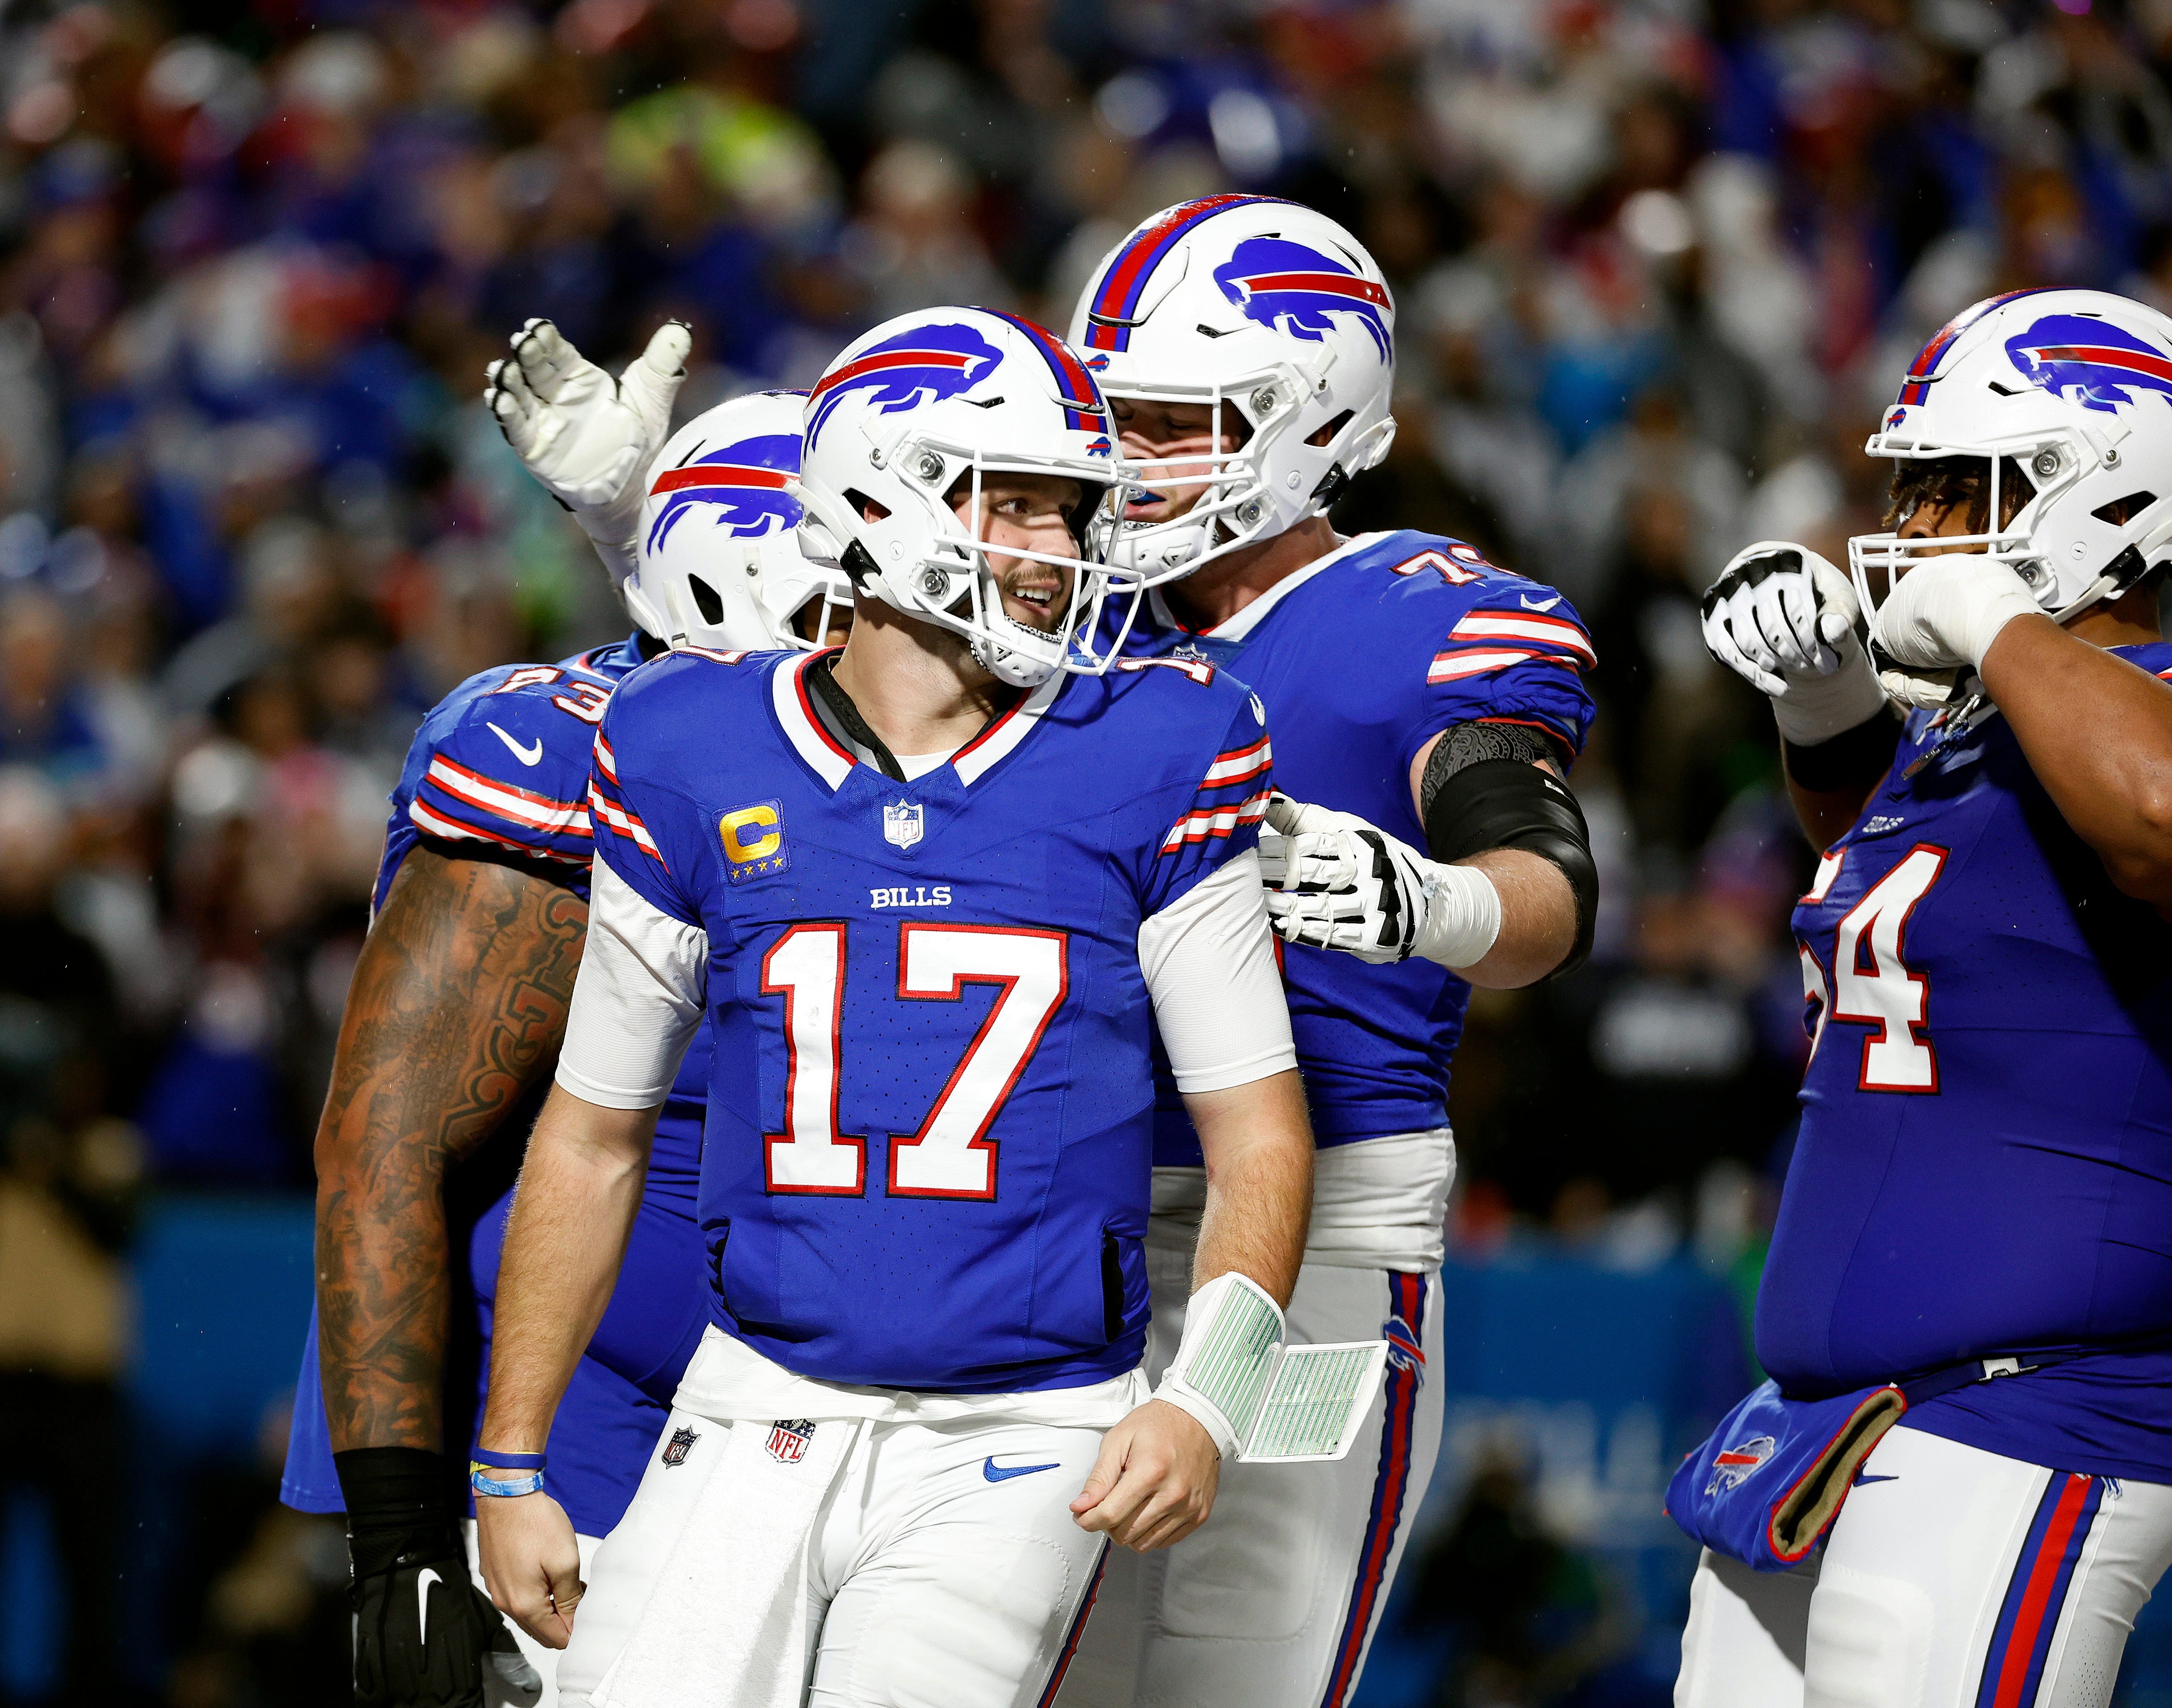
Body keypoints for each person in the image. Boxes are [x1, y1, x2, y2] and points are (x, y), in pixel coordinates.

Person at [471, 306, 1320, 1708]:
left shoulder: (1156, 742)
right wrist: (509, 1464)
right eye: (1017, 506)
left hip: (1026, 1420)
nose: (1056, 550)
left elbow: (1258, 1133)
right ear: (876, 500)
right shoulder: (692, 743)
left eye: (1068, 511)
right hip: (751, 1394)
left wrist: (1209, 1398)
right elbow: (593, 1132)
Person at [1054, 195, 1599, 1708]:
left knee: (1234, 1679)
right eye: (1118, 416)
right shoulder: (1064, 620)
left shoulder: (1421, 620)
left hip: (1315, 1242)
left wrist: (1432, 903)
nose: (1130, 457)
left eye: (1175, 421)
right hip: (1060, 1232)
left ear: (1309, 412)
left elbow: (1540, 883)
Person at [281, 319, 844, 1708]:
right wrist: (402, 1546)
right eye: (858, 601)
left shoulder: (887, 765)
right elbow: (386, 1148)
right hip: (566, 1425)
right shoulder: (556, 764)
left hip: (807, 1398)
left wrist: (631, 527)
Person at [1687, 287, 2172, 1706]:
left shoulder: (2124, 705)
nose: (1921, 526)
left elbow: (2154, 813)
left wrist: (1992, 612)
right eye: (1917, 489)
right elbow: (1925, 887)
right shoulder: (1980, 719)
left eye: (1966, 488)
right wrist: (1827, 705)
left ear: (2106, 493)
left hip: (2036, 1412)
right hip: (1835, 1420)